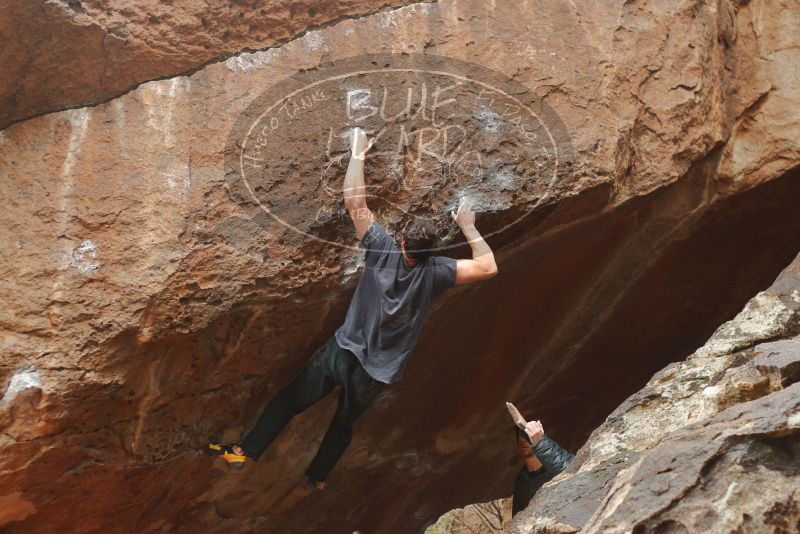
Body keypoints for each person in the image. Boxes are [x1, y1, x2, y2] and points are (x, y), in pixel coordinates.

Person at [207, 126, 499, 489]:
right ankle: (318, 477)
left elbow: (355, 203)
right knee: (344, 424)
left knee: (290, 400)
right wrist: (468, 227)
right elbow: (488, 267)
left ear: (404, 238)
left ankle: (246, 450)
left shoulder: (383, 249)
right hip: (377, 371)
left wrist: (358, 154)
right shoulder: (438, 272)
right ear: (432, 251)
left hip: (344, 351)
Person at [512, 420, 574, 516]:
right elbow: (516, 515)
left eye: (526, 434)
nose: (522, 439)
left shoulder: (554, 471)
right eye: (519, 435)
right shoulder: (521, 480)